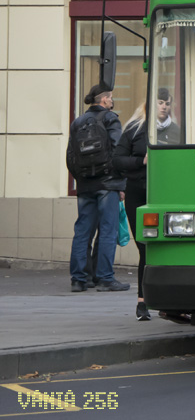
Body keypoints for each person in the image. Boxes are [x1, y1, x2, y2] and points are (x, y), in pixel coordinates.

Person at [68, 83, 130, 292]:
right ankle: (105, 277)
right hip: (108, 184)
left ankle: (79, 279)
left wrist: (82, 178)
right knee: (107, 231)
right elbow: (117, 152)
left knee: (82, 230)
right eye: (110, 98)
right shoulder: (110, 118)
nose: (112, 101)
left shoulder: (77, 122)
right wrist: (120, 182)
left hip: (85, 184)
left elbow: (70, 157)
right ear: (104, 100)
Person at [113, 103, 150, 320]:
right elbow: (117, 160)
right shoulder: (135, 129)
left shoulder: (174, 129)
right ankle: (142, 302)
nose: (163, 107)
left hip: (164, 193)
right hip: (137, 191)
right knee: (144, 248)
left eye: (167, 103)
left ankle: (160, 301)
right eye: (159, 103)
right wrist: (140, 161)